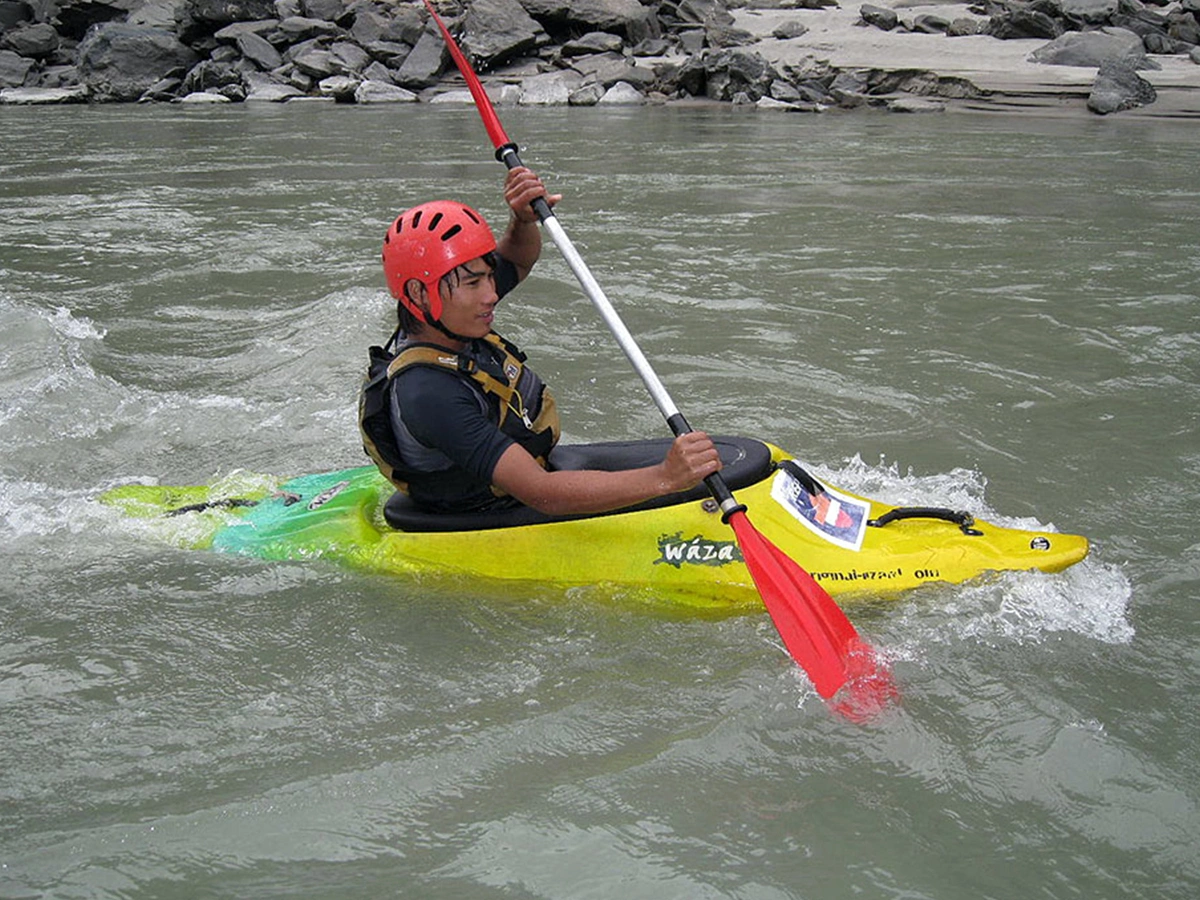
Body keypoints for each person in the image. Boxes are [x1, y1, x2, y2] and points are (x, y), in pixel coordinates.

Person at [359, 166, 722, 518]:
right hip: (489, 510)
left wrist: (523, 219)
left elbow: (516, 259)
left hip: (520, 469)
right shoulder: (428, 394)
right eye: (474, 284)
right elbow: (542, 493)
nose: (491, 295)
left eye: (489, 278)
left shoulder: (450, 316)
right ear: (418, 294)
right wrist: (665, 478)